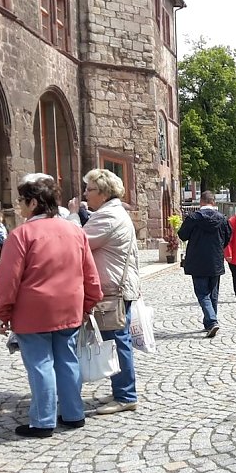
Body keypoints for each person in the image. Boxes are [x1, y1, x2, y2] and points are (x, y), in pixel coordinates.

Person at [0, 173, 103, 437]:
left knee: (40, 364)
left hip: (33, 312)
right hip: (69, 308)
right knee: (67, 361)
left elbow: (8, 280)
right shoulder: (74, 231)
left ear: (33, 203)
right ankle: (74, 413)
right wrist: (88, 304)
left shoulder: (22, 235)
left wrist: (0, 314)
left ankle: (42, 421)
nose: (18, 205)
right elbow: (90, 275)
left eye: (21, 200)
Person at [67, 168, 142, 415]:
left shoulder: (108, 217)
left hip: (114, 290)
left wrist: (73, 215)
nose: (85, 195)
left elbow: (77, 241)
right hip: (118, 288)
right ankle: (122, 389)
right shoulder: (111, 213)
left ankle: (126, 395)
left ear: (104, 193)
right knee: (116, 340)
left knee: (118, 341)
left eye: (89, 190)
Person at [178, 191, 232, 338]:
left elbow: (182, 235)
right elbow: (228, 237)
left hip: (197, 260)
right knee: (213, 293)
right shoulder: (222, 219)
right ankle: (209, 322)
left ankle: (212, 321)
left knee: (202, 293)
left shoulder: (193, 218)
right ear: (213, 202)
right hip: (215, 259)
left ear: (201, 201)